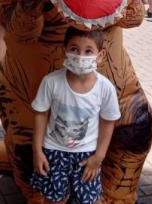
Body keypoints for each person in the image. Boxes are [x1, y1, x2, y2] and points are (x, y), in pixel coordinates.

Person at [30, 27, 121, 204]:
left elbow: (108, 123)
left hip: (87, 154)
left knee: (88, 199)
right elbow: (40, 115)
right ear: (65, 51)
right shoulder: (51, 82)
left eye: (88, 51)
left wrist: (99, 157)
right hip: (54, 151)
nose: (80, 56)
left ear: (100, 55)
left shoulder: (105, 88)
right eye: (74, 49)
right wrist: (37, 151)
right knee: (54, 199)